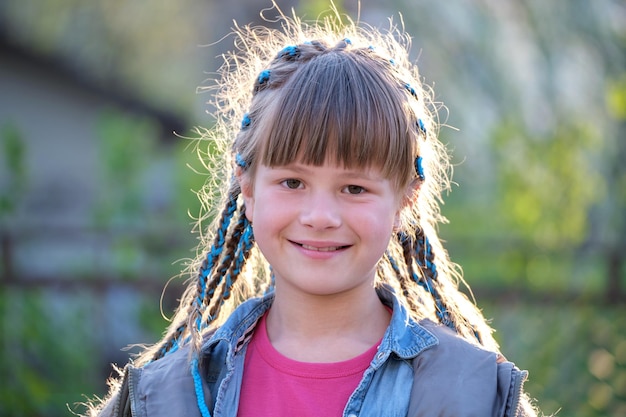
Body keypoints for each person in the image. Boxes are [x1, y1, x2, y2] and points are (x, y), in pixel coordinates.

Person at [87, 4, 541, 417]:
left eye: (355, 188)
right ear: (247, 186)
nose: (320, 215)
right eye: (293, 182)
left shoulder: (473, 395)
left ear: (406, 198)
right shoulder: (166, 397)